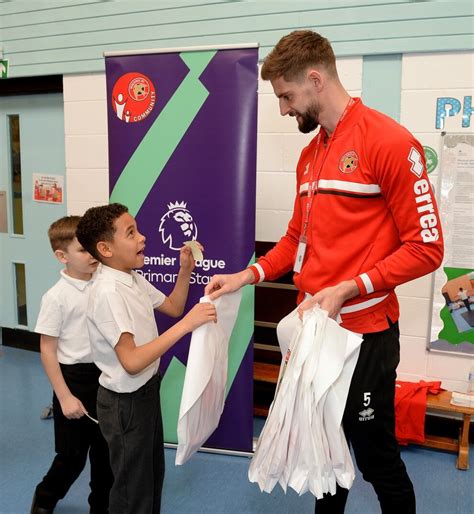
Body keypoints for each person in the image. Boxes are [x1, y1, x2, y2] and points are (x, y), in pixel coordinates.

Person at [205, 30, 444, 514]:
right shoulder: (311, 155)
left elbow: (427, 248)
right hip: (315, 334)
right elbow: (296, 241)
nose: (283, 109)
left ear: (315, 80)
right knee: (322, 458)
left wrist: (349, 288)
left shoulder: (390, 142)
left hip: (364, 337)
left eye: (286, 96)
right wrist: (246, 276)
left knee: (375, 460)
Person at [76, 203, 217, 514]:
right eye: (131, 233)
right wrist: (186, 326)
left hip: (145, 394)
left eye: (137, 229)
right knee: (131, 493)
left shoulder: (131, 278)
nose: (142, 237)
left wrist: (184, 270)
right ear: (105, 248)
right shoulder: (108, 292)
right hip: (125, 404)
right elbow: (132, 360)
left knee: (150, 478)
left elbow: (173, 306)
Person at [31, 216, 113, 514]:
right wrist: (64, 397)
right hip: (73, 380)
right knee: (72, 456)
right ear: (61, 256)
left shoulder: (105, 284)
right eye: (83, 250)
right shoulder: (56, 297)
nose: (92, 254)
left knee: (106, 456)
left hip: (105, 377)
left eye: (93, 247)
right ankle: (44, 499)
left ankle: (100, 508)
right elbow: (47, 350)